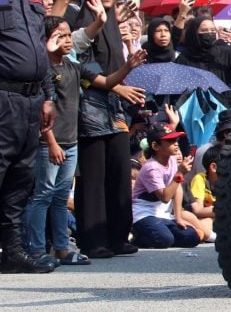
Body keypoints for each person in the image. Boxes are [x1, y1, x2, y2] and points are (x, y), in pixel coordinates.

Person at [24, 16, 145, 266]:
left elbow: (106, 83)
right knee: (43, 195)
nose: (67, 40)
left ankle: (61, 248)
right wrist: (52, 142)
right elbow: (42, 107)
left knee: (58, 197)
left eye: (69, 35)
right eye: (60, 35)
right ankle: (35, 249)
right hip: (50, 143)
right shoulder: (43, 69)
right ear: (47, 40)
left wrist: (128, 66)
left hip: (70, 142)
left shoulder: (74, 67)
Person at [73, 0, 147, 259]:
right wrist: (120, 89)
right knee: (94, 176)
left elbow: (119, 63)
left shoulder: (115, 24)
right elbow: (85, 70)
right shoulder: (86, 21)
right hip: (91, 106)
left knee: (119, 171)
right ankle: (93, 240)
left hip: (115, 108)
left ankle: (118, 236)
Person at [0, 0, 57, 274]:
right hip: (3, 96)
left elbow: (40, 49)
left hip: (32, 100)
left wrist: (48, 96)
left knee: (22, 178)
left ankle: (13, 251)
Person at [130, 124, 202, 249]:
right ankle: (136, 236)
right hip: (144, 214)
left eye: (175, 140)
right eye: (170, 141)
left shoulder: (172, 160)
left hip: (163, 214)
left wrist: (178, 217)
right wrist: (180, 173)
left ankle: (162, 234)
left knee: (192, 237)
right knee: (164, 240)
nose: (176, 144)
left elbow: (177, 188)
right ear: (155, 146)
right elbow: (165, 197)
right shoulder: (151, 168)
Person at [176, 16, 231, 118]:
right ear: (194, 34)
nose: (209, 33)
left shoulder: (226, 53)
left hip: (228, 117)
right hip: (199, 117)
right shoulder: (184, 59)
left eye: (212, 30)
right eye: (204, 30)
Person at [187, 144, 219, 242]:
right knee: (208, 221)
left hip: (216, 218)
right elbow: (198, 210)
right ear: (213, 167)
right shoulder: (200, 179)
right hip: (198, 219)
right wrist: (225, 209)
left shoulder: (228, 183)